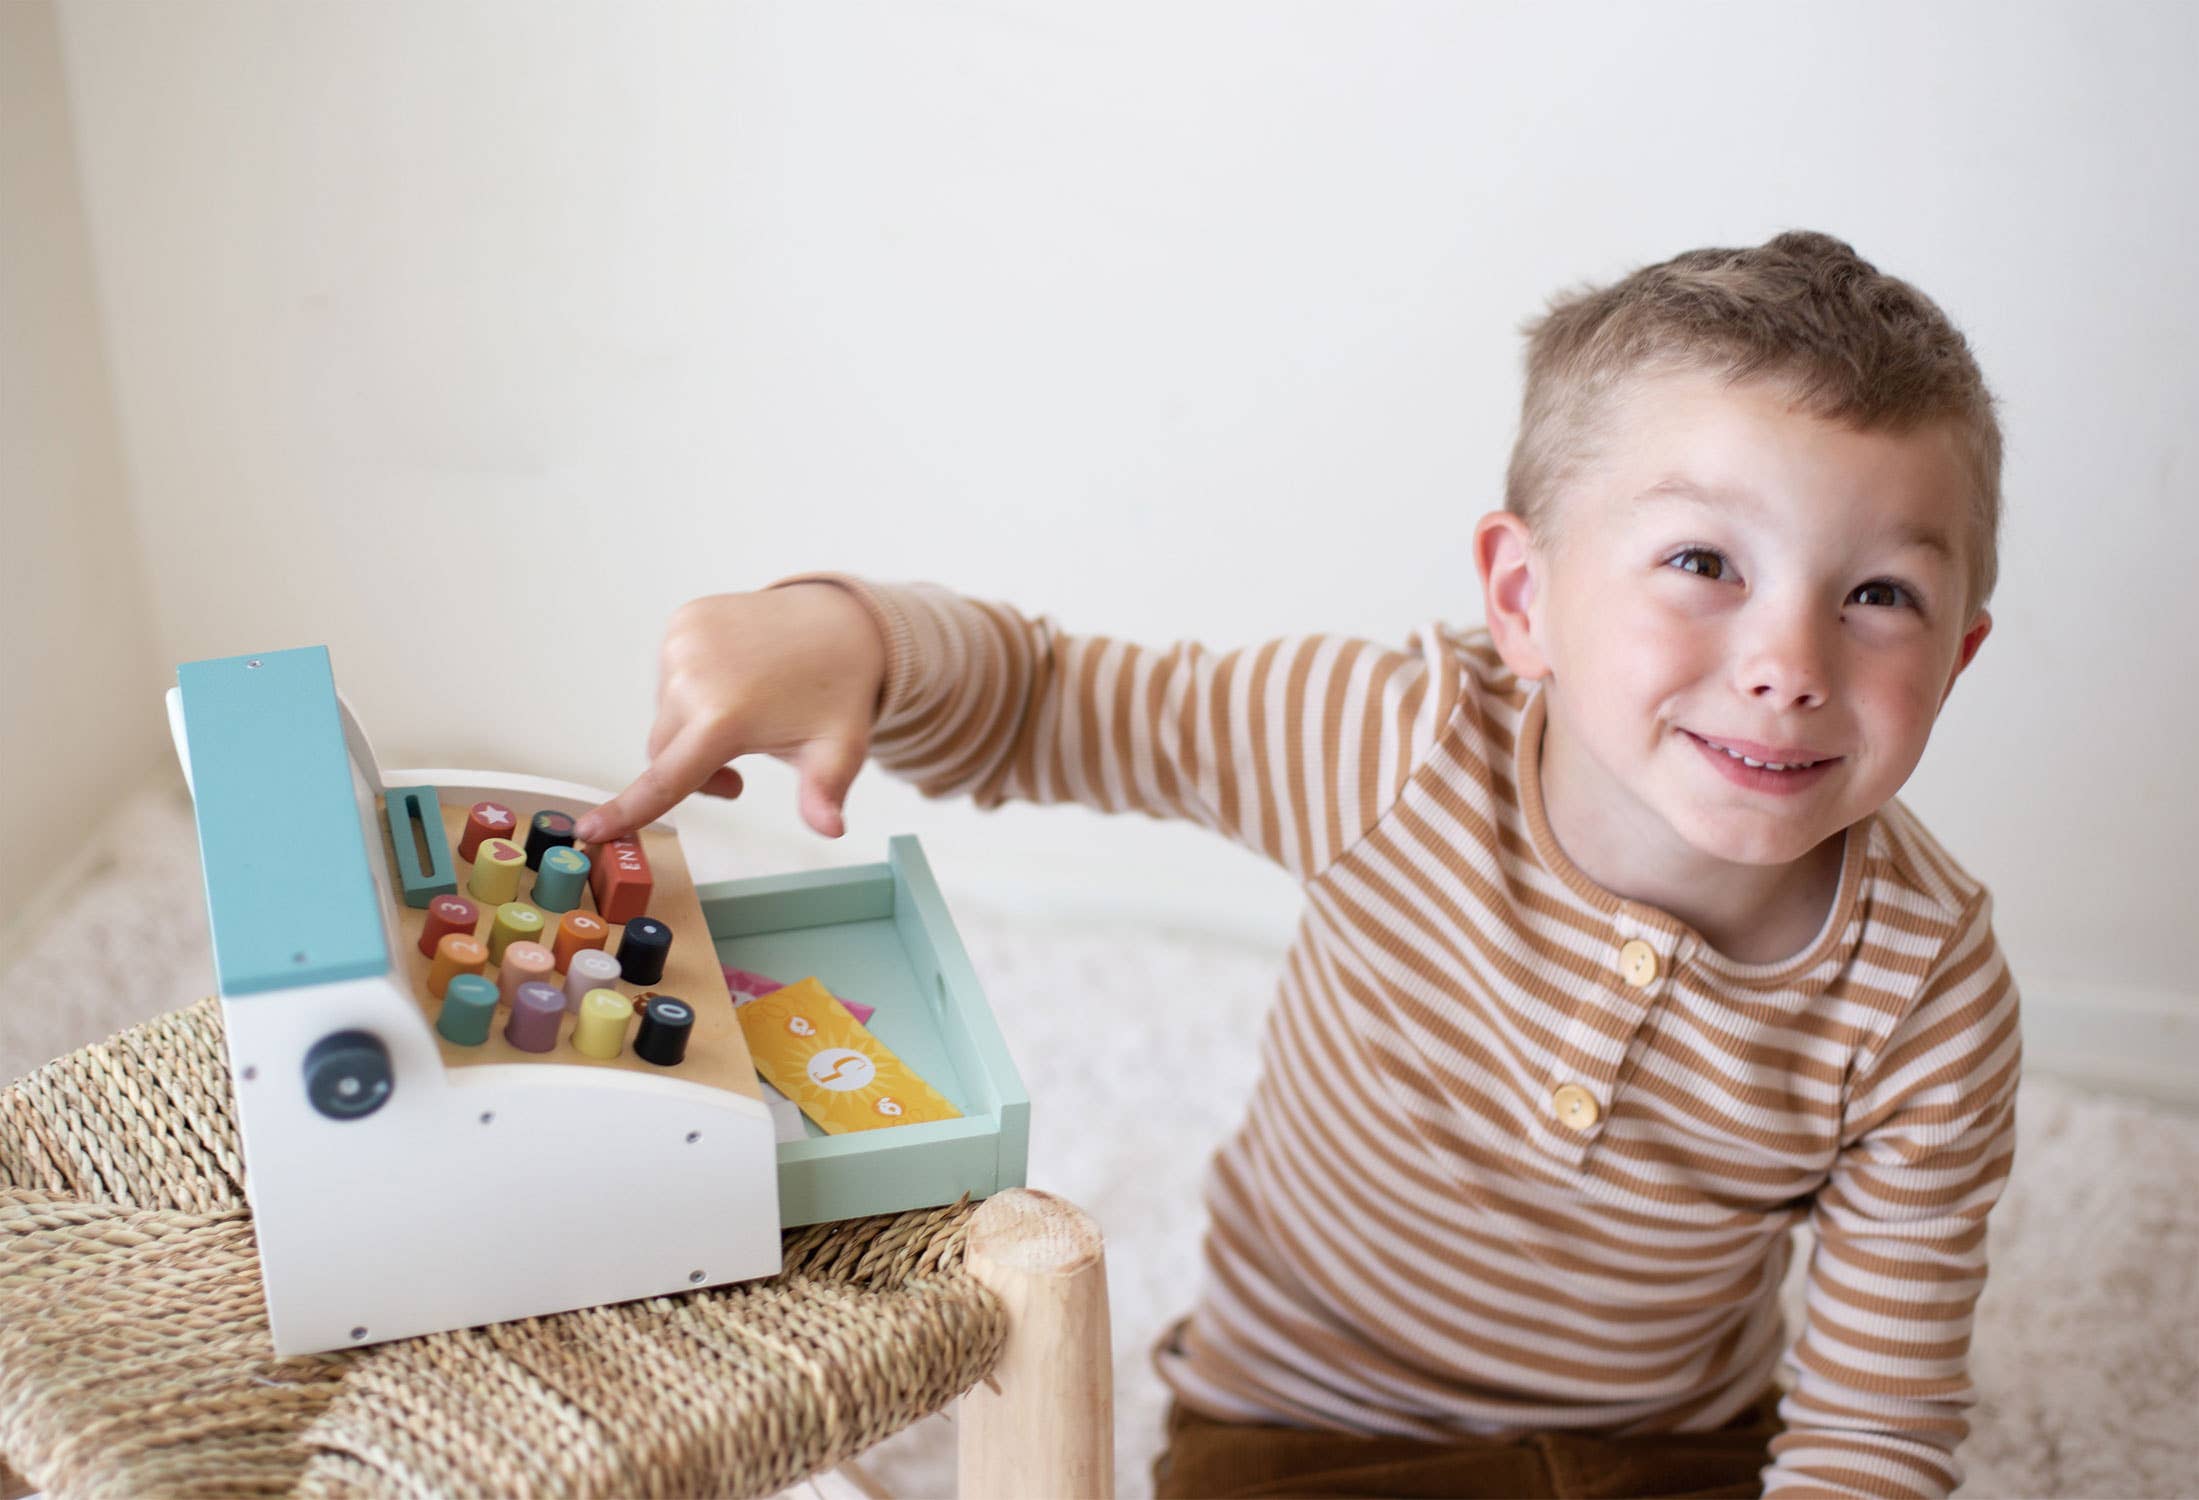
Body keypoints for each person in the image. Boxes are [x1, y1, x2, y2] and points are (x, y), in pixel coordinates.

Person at [572, 230, 2020, 1499]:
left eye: (1881, 595)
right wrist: (857, 639)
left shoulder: (1928, 992)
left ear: (1958, 661)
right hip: (1305, 1424)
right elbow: (1054, 700)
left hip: (1680, 1452)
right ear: (1526, 599)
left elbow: (1873, 1427)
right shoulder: (1387, 742)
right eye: (1705, 563)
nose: (1789, 665)